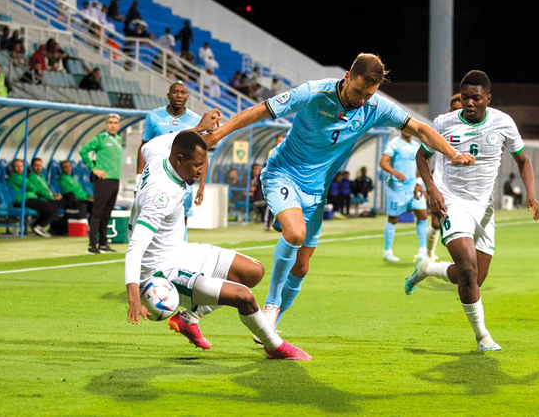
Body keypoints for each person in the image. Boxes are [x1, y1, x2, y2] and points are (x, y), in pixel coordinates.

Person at [202, 53, 475, 333]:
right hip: (282, 173)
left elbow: (419, 128)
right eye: (358, 92)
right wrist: (217, 135)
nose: (362, 100)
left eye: (369, 95)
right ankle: (270, 306)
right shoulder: (313, 93)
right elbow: (261, 110)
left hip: (317, 190)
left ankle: (273, 325)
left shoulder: (374, 107)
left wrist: (452, 154)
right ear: (347, 77)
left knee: (303, 267)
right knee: (295, 234)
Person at [127, 124, 311, 360]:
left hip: (180, 251)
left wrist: (199, 129)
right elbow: (136, 245)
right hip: (162, 271)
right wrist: (133, 294)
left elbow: (150, 145)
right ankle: (274, 345)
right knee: (244, 297)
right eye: (197, 165)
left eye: (203, 165)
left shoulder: (159, 154)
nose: (201, 171)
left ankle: (187, 319)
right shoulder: (159, 195)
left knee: (253, 272)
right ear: (180, 159)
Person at [405, 70, 539, 352]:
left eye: (475, 98)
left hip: (484, 209)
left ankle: (427, 267)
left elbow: (523, 160)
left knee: (474, 279)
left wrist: (531, 193)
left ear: (487, 99)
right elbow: (422, 155)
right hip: (452, 202)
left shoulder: (503, 123)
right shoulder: (443, 123)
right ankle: (483, 337)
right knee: (467, 269)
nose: (469, 102)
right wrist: (432, 189)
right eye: (465, 97)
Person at [137, 82, 215, 237]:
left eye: (183, 92)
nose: (179, 95)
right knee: (153, 218)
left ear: (187, 96)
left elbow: (202, 156)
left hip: (183, 181)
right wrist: (139, 178)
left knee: (181, 221)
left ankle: (179, 249)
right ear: (168, 95)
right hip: (156, 178)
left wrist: (201, 187)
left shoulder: (196, 120)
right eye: (175, 92)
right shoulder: (154, 117)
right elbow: (144, 147)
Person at [380, 129, 429, 262]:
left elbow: (420, 166)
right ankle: (387, 251)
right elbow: (383, 162)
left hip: (413, 187)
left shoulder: (416, 146)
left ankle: (422, 252)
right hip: (397, 188)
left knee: (422, 214)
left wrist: (419, 183)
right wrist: (394, 172)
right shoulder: (394, 144)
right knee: (393, 218)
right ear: (400, 129)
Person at [79, 114, 123, 255]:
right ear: (105, 125)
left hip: (115, 180)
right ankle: (92, 245)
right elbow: (83, 151)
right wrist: (94, 168)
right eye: (110, 122)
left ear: (119, 125)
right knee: (97, 212)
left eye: (115, 123)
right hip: (103, 180)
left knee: (107, 213)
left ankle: (103, 244)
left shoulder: (118, 139)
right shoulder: (100, 138)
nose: (112, 125)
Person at [426, 93, 463, 262]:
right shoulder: (442, 127)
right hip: (442, 183)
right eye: (455, 109)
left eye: (460, 109)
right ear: (450, 110)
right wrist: (428, 185)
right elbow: (423, 155)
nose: (458, 112)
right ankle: (429, 255)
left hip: (465, 188)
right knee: (435, 223)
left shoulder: (477, 130)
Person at [7, 158, 67, 238]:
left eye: (21, 166)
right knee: (50, 208)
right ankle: (38, 226)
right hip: (24, 200)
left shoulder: (26, 177)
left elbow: (33, 188)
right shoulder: (15, 177)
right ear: (12, 168)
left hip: (31, 199)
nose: (19, 168)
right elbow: (32, 188)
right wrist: (32, 191)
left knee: (53, 207)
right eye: (16, 167)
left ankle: (39, 226)